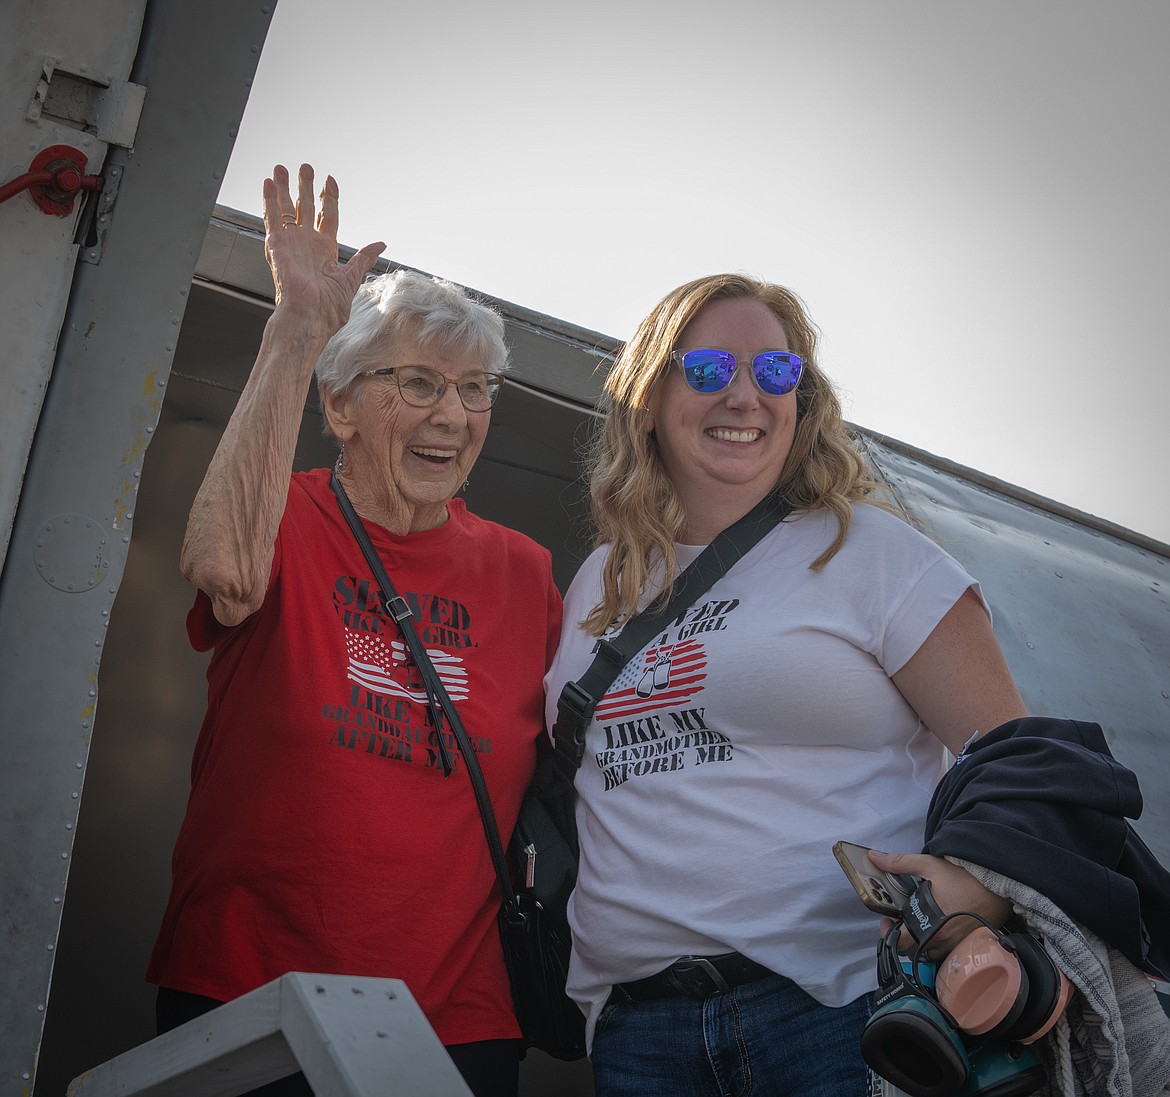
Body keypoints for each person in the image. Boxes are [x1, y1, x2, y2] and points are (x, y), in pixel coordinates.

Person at [542, 272, 1030, 1095]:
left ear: (801, 400)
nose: (744, 396)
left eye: (775, 373)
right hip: (641, 1033)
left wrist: (976, 888)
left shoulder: (872, 552)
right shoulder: (598, 582)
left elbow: (1019, 768)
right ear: (650, 399)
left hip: (838, 1014)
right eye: (707, 372)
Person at [147, 164, 562, 1097]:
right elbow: (221, 567)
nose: (452, 415)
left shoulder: (527, 573)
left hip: (455, 1022)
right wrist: (297, 331)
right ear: (338, 405)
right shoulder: (281, 518)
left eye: (474, 389)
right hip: (247, 996)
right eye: (417, 383)